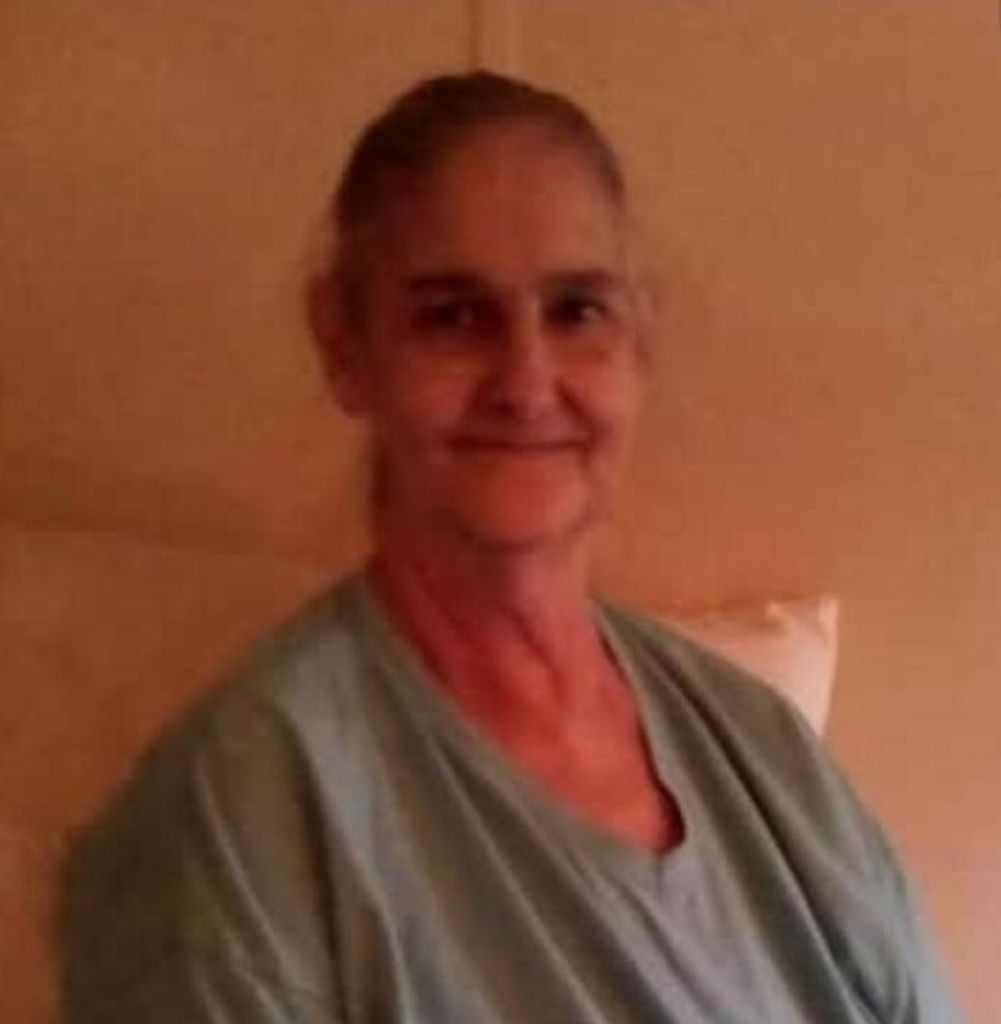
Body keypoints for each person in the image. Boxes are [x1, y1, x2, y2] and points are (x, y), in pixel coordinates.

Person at [60, 72, 962, 1023]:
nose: (527, 385)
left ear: (639, 337)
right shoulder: (241, 817)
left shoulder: (766, 754)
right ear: (343, 344)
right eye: (453, 316)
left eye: (576, 312)